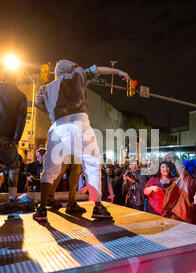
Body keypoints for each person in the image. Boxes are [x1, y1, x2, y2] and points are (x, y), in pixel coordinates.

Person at [33, 59, 131, 222]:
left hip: (58, 126)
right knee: (91, 164)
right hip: (79, 124)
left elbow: (38, 104)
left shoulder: (45, 89)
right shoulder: (77, 75)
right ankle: (98, 207)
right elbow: (98, 69)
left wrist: (54, 114)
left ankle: (42, 209)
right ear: (68, 68)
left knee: (50, 169)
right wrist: (119, 72)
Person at [0, 70, 27, 202]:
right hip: (8, 138)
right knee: (13, 167)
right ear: (15, 79)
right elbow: (21, 120)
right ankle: (12, 197)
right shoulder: (20, 96)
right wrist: (16, 139)